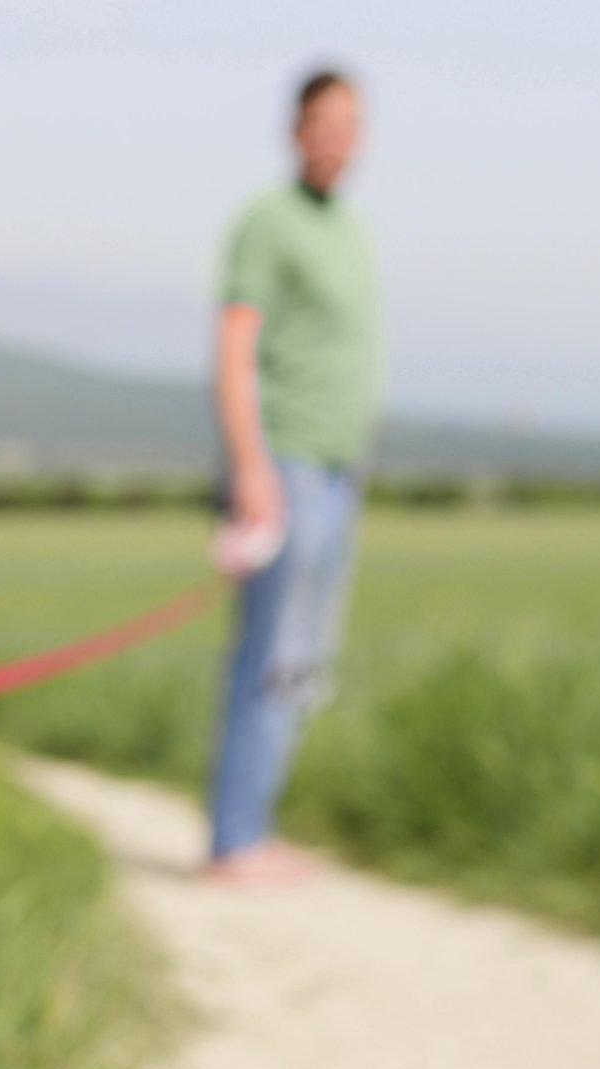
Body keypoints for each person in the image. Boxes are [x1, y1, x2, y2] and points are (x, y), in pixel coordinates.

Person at [205, 67, 384, 884]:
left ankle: (258, 825)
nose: (339, 138)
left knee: (303, 661)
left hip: (339, 474)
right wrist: (252, 469)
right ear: (295, 129)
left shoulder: (348, 226)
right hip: (284, 470)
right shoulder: (268, 223)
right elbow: (236, 350)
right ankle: (235, 839)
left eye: (352, 123)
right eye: (326, 122)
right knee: (267, 655)